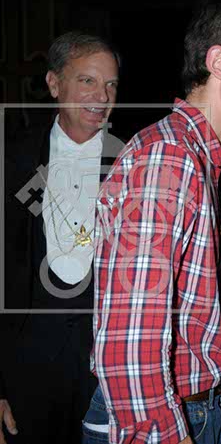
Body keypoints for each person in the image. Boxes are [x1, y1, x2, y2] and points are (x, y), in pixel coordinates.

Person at [81, 0, 221, 444]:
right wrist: (165, 434)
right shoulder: (170, 157)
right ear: (219, 62)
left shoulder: (199, 157)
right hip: (164, 418)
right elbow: (130, 339)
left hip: (196, 406)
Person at [0, 31, 120, 444]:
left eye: (111, 84)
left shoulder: (133, 160)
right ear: (54, 84)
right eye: (87, 80)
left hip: (108, 375)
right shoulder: (13, 158)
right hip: (26, 372)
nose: (101, 96)